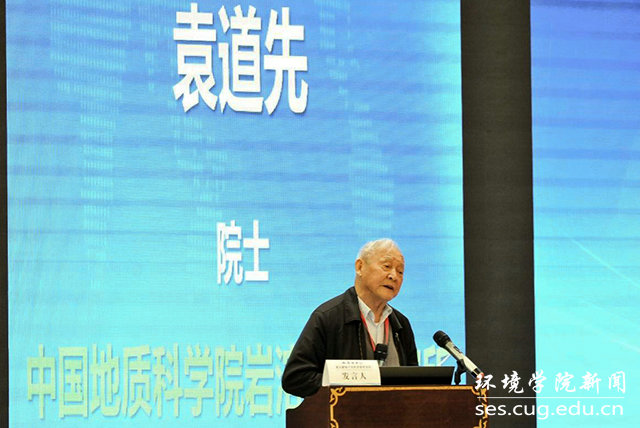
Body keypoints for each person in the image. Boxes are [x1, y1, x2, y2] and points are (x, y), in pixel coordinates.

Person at [281, 238, 419, 398]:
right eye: (386, 266)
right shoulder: (329, 317)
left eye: (400, 271)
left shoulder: (401, 325)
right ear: (360, 267)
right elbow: (295, 377)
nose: (394, 276)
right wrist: (343, 387)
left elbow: (414, 384)